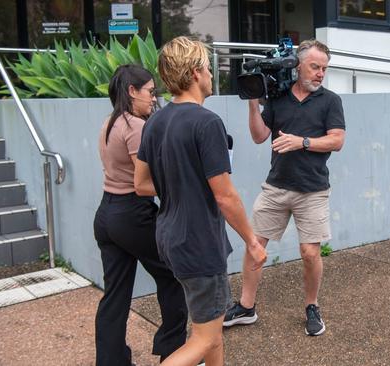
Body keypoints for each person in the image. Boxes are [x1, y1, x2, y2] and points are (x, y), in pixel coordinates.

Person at [134, 36, 267, 366]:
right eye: (208, 68)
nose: (211, 75)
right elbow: (224, 195)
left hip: (170, 237)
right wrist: (252, 241)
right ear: (195, 73)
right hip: (198, 241)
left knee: (211, 328)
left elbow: (142, 184)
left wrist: (181, 184)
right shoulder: (207, 123)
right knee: (205, 338)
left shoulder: (155, 121)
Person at [224, 39, 346, 336]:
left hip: (313, 190)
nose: (320, 73)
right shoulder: (277, 99)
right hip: (276, 186)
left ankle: (312, 306)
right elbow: (258, 136)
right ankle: (246, 307)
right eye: (315, 67)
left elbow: (337, 140)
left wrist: (301, 142)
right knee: (255, 247)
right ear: (298, 65)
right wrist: (254, 102)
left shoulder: (330, 101)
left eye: (324, 69)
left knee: (309, 253)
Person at [93, 64, 188, 365]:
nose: (153, 98)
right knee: (173, 276)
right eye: (150, 91)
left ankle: (111, 361)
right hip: (132, 215)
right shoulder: (136, 126)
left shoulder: (110, 122)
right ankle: (173, 353)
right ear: (132, 92)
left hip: (107, 214)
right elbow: (146, 181)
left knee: (115, 295)